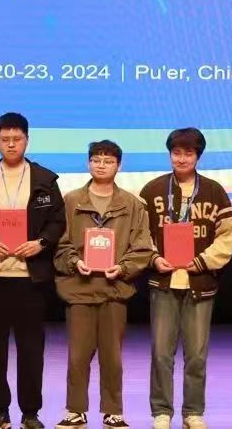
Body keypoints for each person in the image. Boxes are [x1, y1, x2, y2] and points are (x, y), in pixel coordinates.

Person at [0, 112, 65, 429]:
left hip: (31, 279)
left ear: (27, 140)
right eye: (5, 139)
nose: (10, 144)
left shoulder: (45, 179)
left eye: (16, 139)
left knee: (31, 350)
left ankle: (30, 413)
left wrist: (40, 244)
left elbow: (58, 222)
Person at [139, 128, 232, 429]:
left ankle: (193, 411)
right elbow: (139, 233)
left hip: (200, 283)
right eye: (176, 153)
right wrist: (154, 258)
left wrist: (202, 261)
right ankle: (161, 411)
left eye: (188, 153)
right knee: (161, 353)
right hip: (163, 282)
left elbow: (226, 235)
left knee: (196, 354)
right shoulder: (152, 189)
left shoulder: (214, 191)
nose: (182, 159)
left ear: (198, 156)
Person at [54, 140, 153, 429]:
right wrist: (75, 262)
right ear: (88, 163)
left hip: (114, 290)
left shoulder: (132, 204)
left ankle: (113, 411)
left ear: (118, 166)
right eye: (96, 159)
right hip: (79, 288)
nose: (101, 165)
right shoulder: (71, 201)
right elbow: (59, 243)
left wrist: (122, 268)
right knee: (78, 355)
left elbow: (142, 247)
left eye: (108, 161)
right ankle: (75, 410)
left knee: (112, 356)